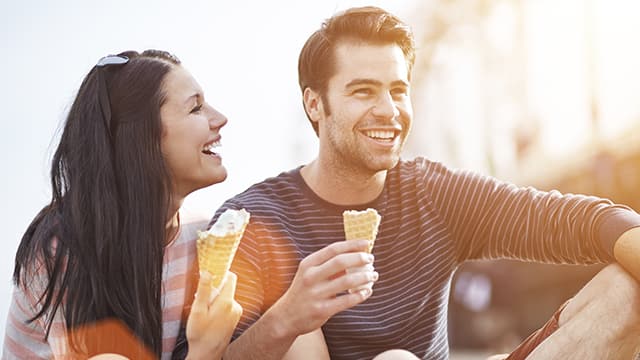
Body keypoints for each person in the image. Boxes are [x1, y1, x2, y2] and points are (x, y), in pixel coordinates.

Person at [211, 6, 640, 360]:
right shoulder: (253, 220)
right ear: (314, 103)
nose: (389, 110)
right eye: (363, 91)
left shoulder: (432, 192)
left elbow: (575, 221)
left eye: (398, 90)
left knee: (625, 290)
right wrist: (288, 317)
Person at [2, 50, 242, 359]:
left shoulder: (199, 234)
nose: (219, 118)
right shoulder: (61, 250)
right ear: (144, 138)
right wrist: (205, 352)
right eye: (195, 108)